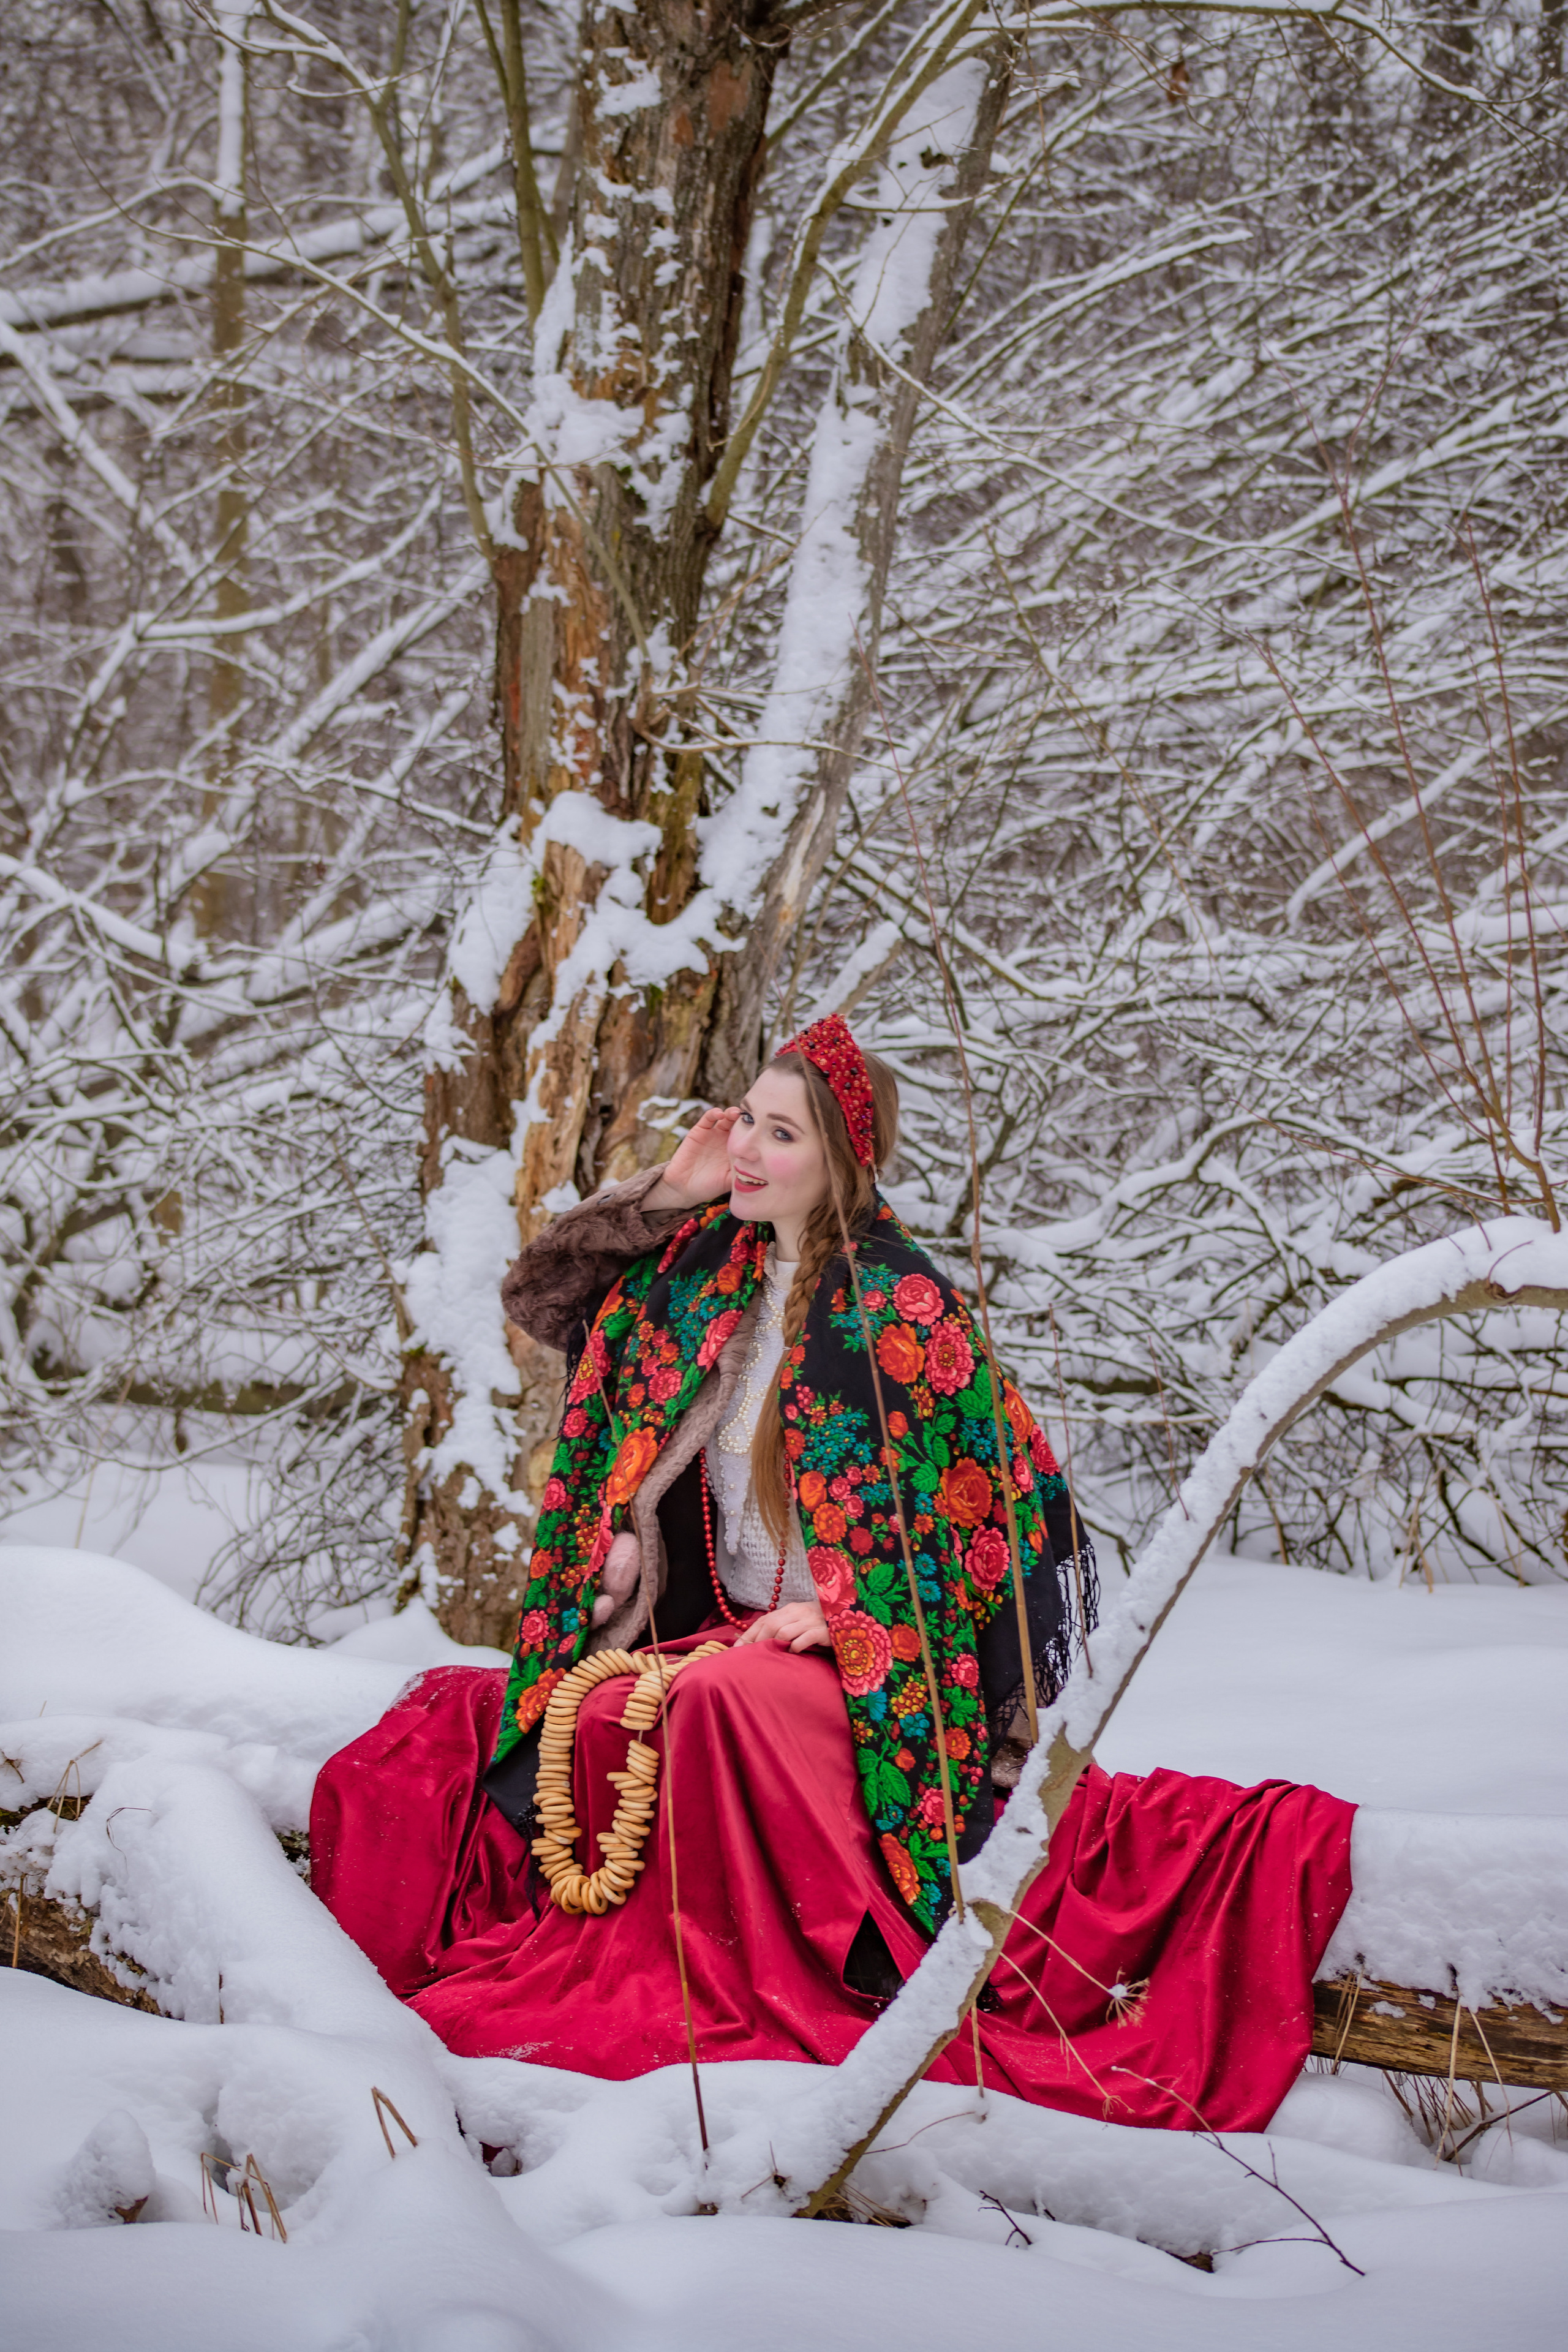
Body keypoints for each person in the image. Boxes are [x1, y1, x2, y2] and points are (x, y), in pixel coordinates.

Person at [312, 1017, 1355, 2131]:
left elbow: (1003, 1516)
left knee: (707, 1709)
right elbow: (542, 1298)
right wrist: (671, 1190)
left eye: (781, 1135)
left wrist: (848, 1617)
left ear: (844, 1161)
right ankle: (557, 1969)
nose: (751, 1152)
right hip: (714, 1635)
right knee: (492, 1721)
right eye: (746, 1125)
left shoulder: (901, 1307)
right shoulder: (701, 1267)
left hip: (865, 1678)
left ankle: (735, 1990)